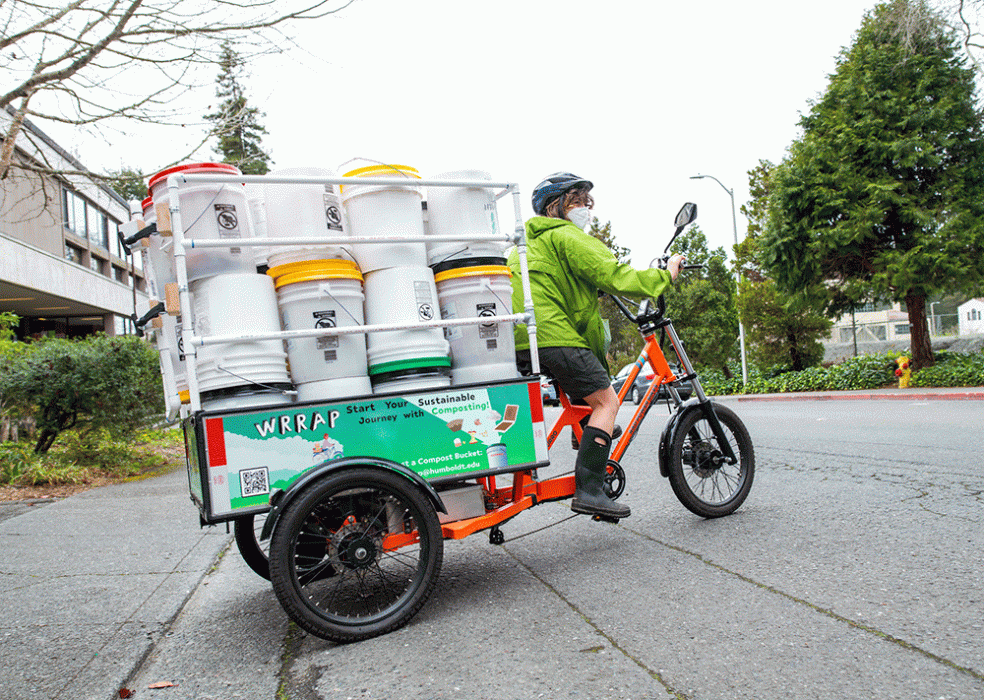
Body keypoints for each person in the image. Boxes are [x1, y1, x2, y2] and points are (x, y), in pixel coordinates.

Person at [507, 173, 684, 519]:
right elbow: (613, 274)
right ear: (553, 207)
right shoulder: (565, 235)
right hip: (550, 332)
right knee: (607, 400)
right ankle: (589, 489)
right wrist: (665, 276)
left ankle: (587, 431)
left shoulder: (527, 244)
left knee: (586, 385)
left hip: (521, 335)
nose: (584, 209)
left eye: (587, 202)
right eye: (576, 201)